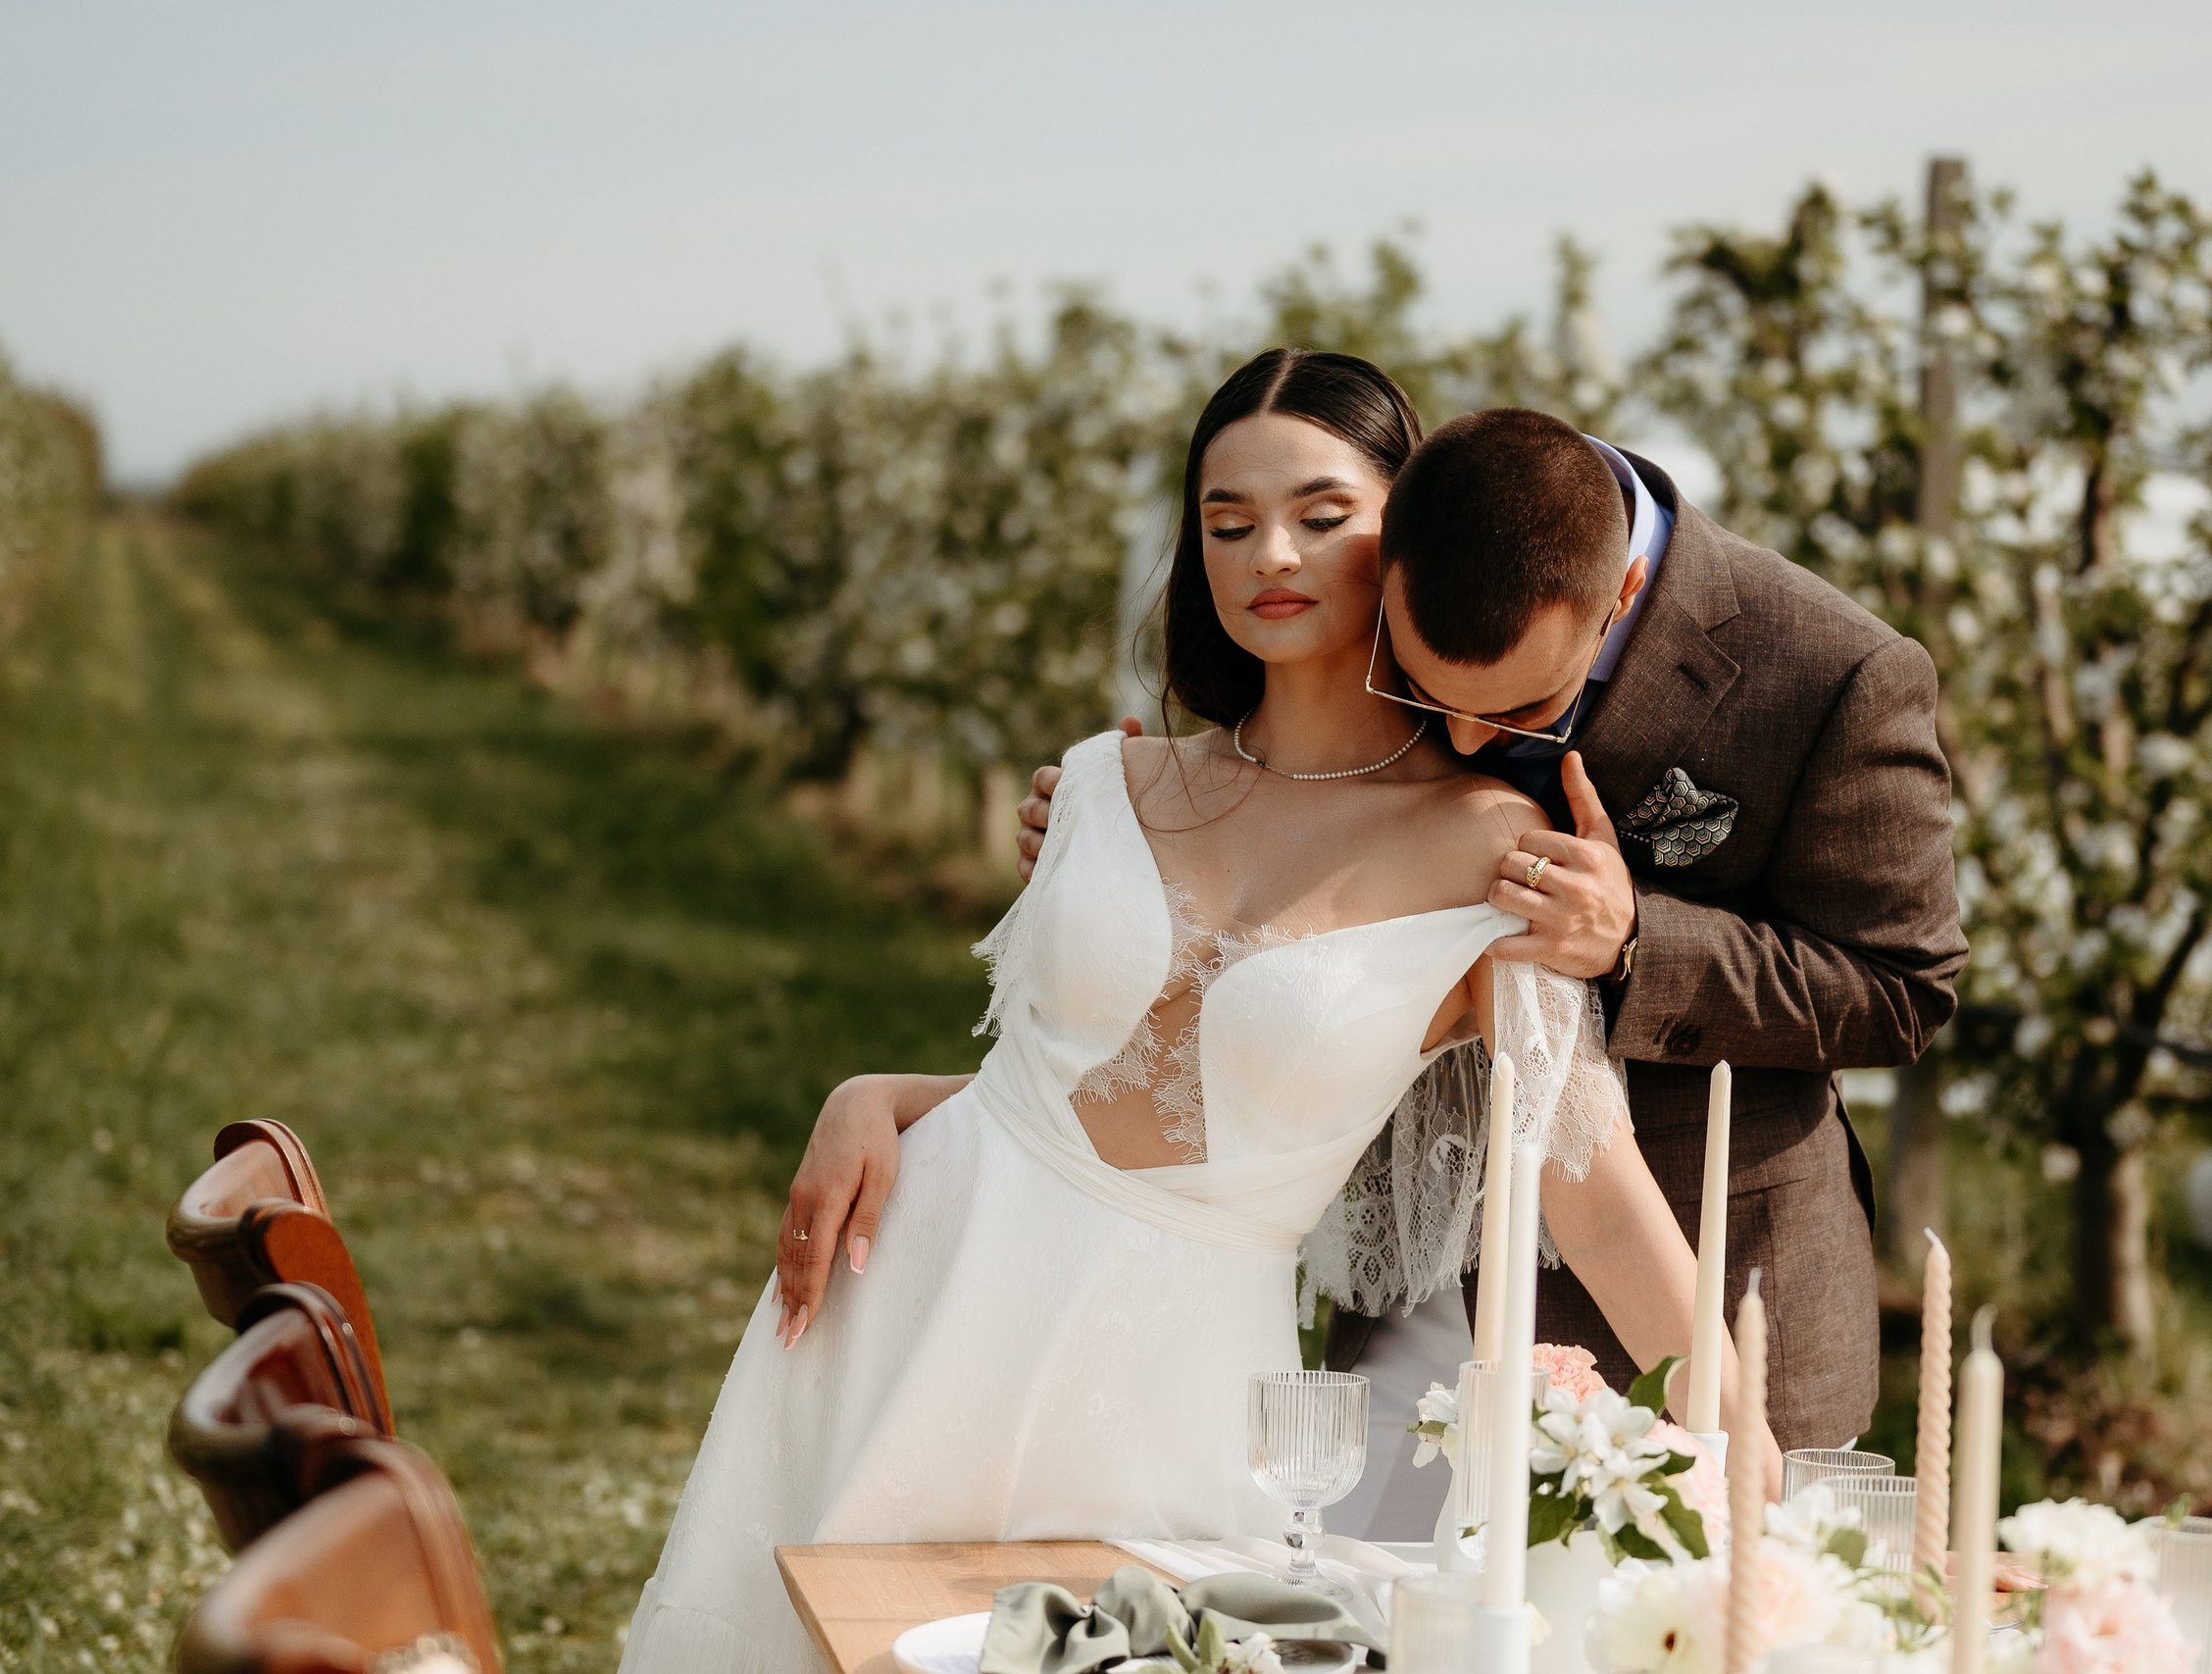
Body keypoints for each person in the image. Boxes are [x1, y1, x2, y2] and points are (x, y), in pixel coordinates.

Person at [619, 352, 1768, 1674]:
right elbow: (1066, 1092)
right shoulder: (1110, 779)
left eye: (1323, 515)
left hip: (1166, 1389)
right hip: (901, 1294)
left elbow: (1592, 1185)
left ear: (1406, 541)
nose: (1269, 551)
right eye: (1227, 521)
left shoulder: (1490, 849)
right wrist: (866, 1095)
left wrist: (1751, 1454)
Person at [1021, 407, 1968, 1456]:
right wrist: (1116, 847)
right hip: (1402, 1263)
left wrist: (1637, 943)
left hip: (1679, 1279)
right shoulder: (1457, 507)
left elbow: (1901, 988)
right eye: (1422, 690)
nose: (1464, 738)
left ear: (1620, 598)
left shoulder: (1834, 674)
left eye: (1520, 709)